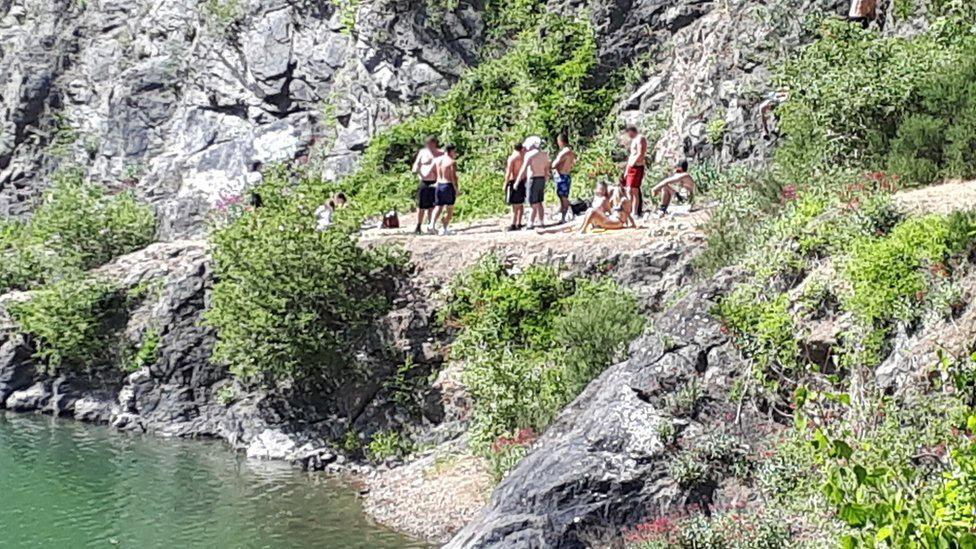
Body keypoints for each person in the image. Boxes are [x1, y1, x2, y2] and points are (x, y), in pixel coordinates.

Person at [515, 136, 552, 230]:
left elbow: (523, 169)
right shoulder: (544, 154)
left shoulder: (530, 155)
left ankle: (530, 223)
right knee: (539, 201)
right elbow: (547, 169)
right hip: (542, 178)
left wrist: (517, 181)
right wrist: (546, 178)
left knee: (533, 202)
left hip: (533, 179)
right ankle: (542, 221)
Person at [411, 135, 442, 233]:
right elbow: (416, 164)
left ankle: (431, 225)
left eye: (430, 143)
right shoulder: (423, 152)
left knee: (432, 205)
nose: (429, 145)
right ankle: (418, 225)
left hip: (435, 181)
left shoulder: (439, 153)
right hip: (424, 180)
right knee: (422, 205)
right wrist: (416, 170)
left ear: (434, 143)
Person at [431, 144, 459, 235]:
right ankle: (444, 228)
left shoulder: (438, 160)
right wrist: (456, 189)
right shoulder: (451, 162)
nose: (455, 154)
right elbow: (453, 177)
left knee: (438, 206)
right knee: (450, 209)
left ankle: (432, 224)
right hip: (448, 185)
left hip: (439, 184)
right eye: (454, 152)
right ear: (450, 151)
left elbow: (434, 172)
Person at [552, 133, 577, 224]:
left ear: (561, 141)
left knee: (563, 197)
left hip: (562, 176)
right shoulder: (571, 152)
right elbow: (574, 163)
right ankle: (564, 215)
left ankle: (564, 216)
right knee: (563, 196)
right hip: (567, 175)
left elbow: (554, 164)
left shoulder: (564, 152)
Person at [623, 125, 648, 217]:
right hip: (631, 167)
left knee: (634, 190)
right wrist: (627, 169)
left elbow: (641, 153)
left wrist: (633, 163)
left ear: (631, 131)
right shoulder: (634, 140)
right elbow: (631, 155)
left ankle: (635, 212)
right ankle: (629, 211)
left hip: (637, 166)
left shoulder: (641, 138)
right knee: (628, 190)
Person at [504, 143, 526, 231]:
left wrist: (505, 183)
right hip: (521, 180)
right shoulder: (523, 157)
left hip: (513, 181)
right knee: (520, 204)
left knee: (514, 204)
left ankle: (513, 223)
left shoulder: (512, 158)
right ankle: (519, 222)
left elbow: (509, 172)